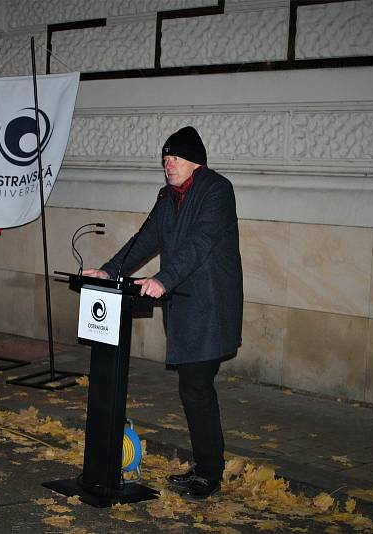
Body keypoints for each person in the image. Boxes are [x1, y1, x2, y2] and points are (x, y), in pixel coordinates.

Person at [83, 126, 243, 500]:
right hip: (184, 305)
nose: (168, 164)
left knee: (197, 388)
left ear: (195, 161)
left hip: (209, 306)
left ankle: (209, 473)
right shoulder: (167, 197)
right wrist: (110, 270)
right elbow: (145, 239)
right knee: (193, 389)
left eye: (175, 158)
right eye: (165, 159)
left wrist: (163, 279)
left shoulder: (217, 190)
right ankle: (204, 468)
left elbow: (200, 242)